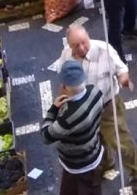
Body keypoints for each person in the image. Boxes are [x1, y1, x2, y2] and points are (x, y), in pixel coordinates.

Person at [60, 27, 137, 192]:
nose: (81, 48)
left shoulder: (104, 50)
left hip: (107, 105)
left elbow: (122, 69)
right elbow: (64, 79)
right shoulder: (65, 56)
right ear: (69, 46)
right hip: (84, 108)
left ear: (88, 36)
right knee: (96, 140)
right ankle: (106, 163)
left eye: (83, 42)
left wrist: (123, 79)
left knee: (120, 141)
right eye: (76, 45)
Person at [41, 60, 106, 195]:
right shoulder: (95, 92)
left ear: (64, 86)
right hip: (94, 151)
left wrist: (53, 110)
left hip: (78, 164)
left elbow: (46, 136)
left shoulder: (68, 118)